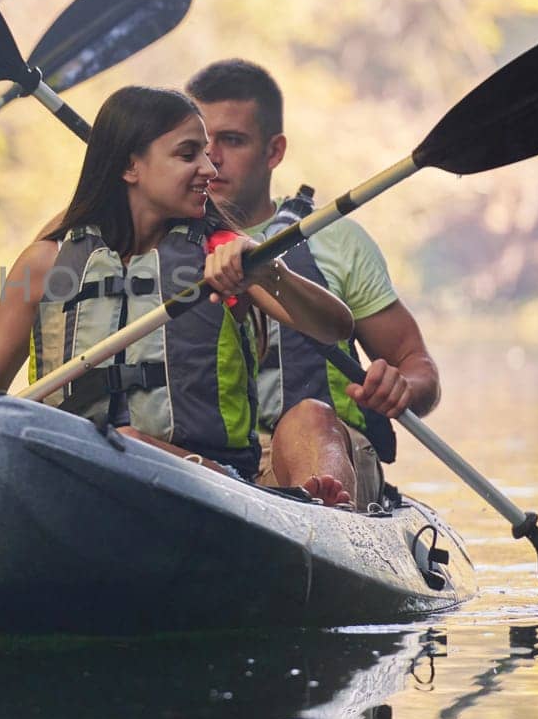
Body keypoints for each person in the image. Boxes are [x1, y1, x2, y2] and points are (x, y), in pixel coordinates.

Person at [0, 85, 355, 493]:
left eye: (206, 153)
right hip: (70, 475)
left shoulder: (221, 254)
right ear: (131, 167)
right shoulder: (46, 263)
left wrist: (268, 271)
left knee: (126, 443)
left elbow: (335, 328)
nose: (210, 169)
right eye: (188, 154)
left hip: (212, 484)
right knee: (115, 446)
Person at [186, 58, 441, 508]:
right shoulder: (158, 242)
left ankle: (324, 526)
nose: (214, 159)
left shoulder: (336, 240)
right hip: (207, 466)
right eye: (200, 144)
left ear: (274, 151)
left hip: (325, 449)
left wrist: (402, 384)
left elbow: (417, 367)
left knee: (305, 420)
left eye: (233, 141)